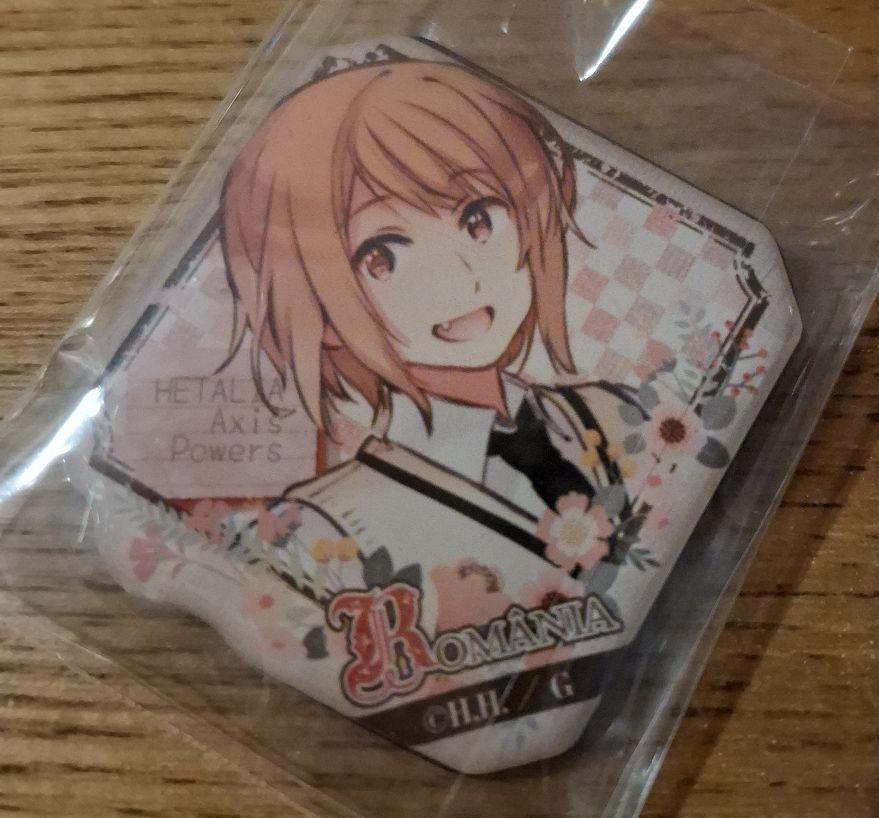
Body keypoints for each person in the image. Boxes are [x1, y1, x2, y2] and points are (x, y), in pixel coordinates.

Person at [219, 59, 637, 585]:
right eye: (382, 257)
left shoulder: (618, 415)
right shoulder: (327, 529)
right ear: (319, 312)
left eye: (477, 220)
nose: (460, 277)